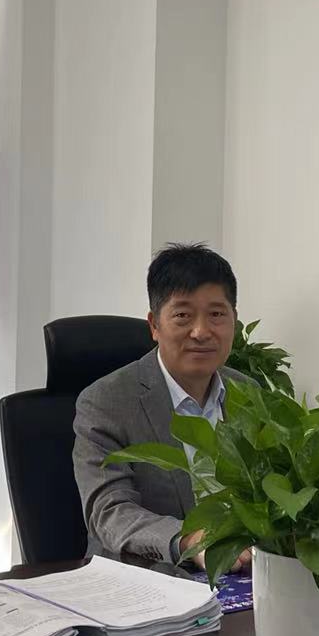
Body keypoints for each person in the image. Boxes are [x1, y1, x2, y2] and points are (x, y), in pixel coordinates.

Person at [73, 244, 253, 570]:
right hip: (142, 578)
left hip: (239, 574)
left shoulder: (249, 393)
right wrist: (189, 541)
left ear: (234, 321)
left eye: (216, 315)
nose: (201, 332)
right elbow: (110, 513)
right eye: (183, 315)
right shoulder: (106, 402)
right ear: (154, 325)